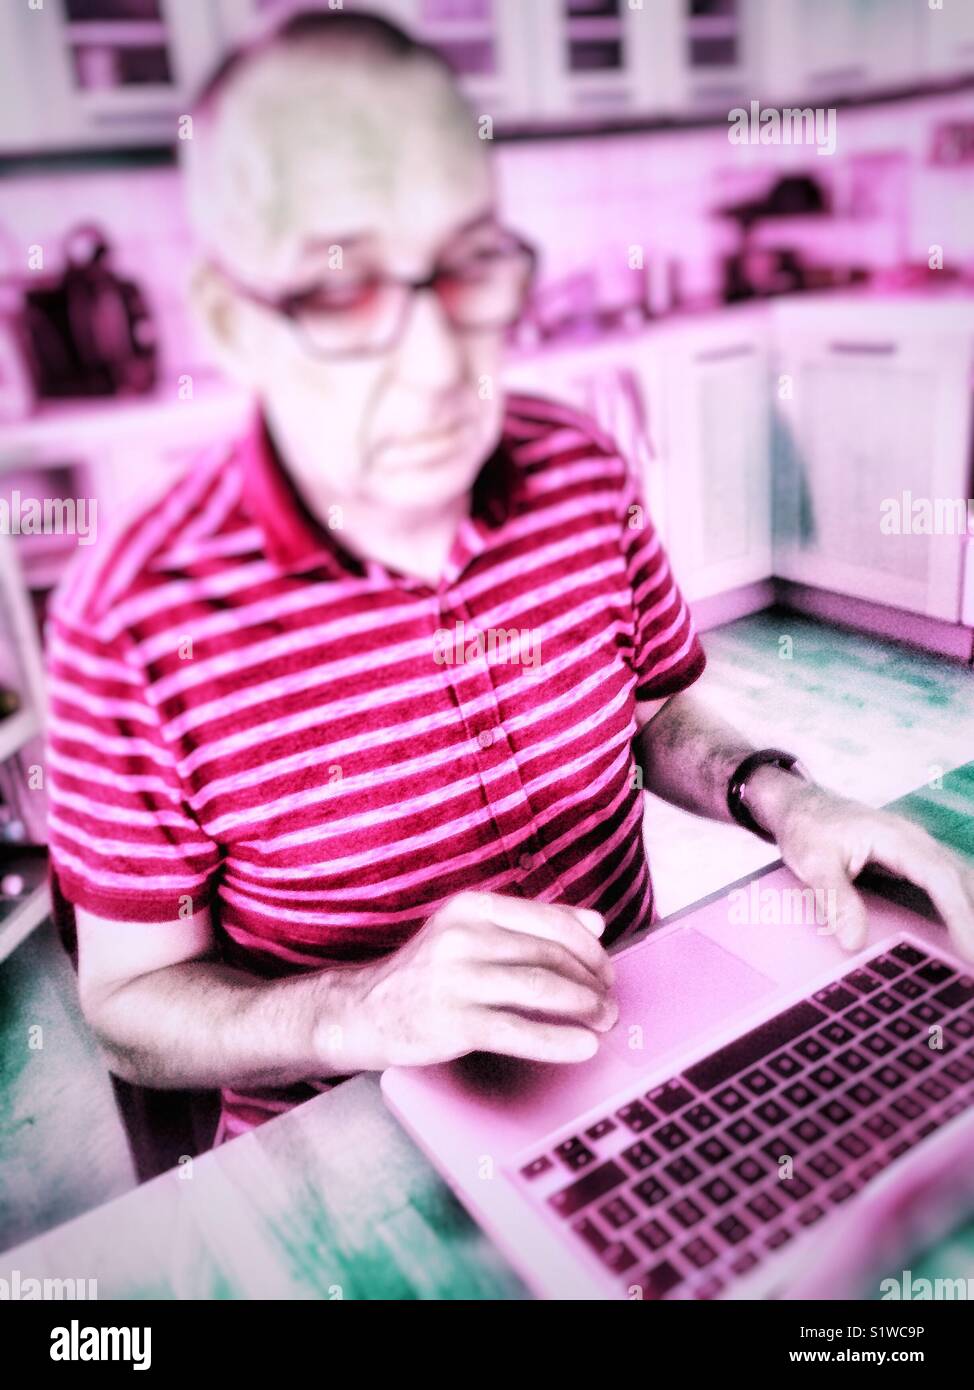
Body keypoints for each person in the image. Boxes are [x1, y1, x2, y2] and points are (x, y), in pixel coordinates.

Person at [47, 10, 974, 1145]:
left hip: (634, 1051)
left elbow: (657, 709)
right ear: (235, 322)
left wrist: (787, 797)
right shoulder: (131, 618)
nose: (442, 366)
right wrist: (364, 1005)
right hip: (350, 1140)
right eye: (344, 292)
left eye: (469, 264)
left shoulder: (576, 469)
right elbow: (128, 1009)